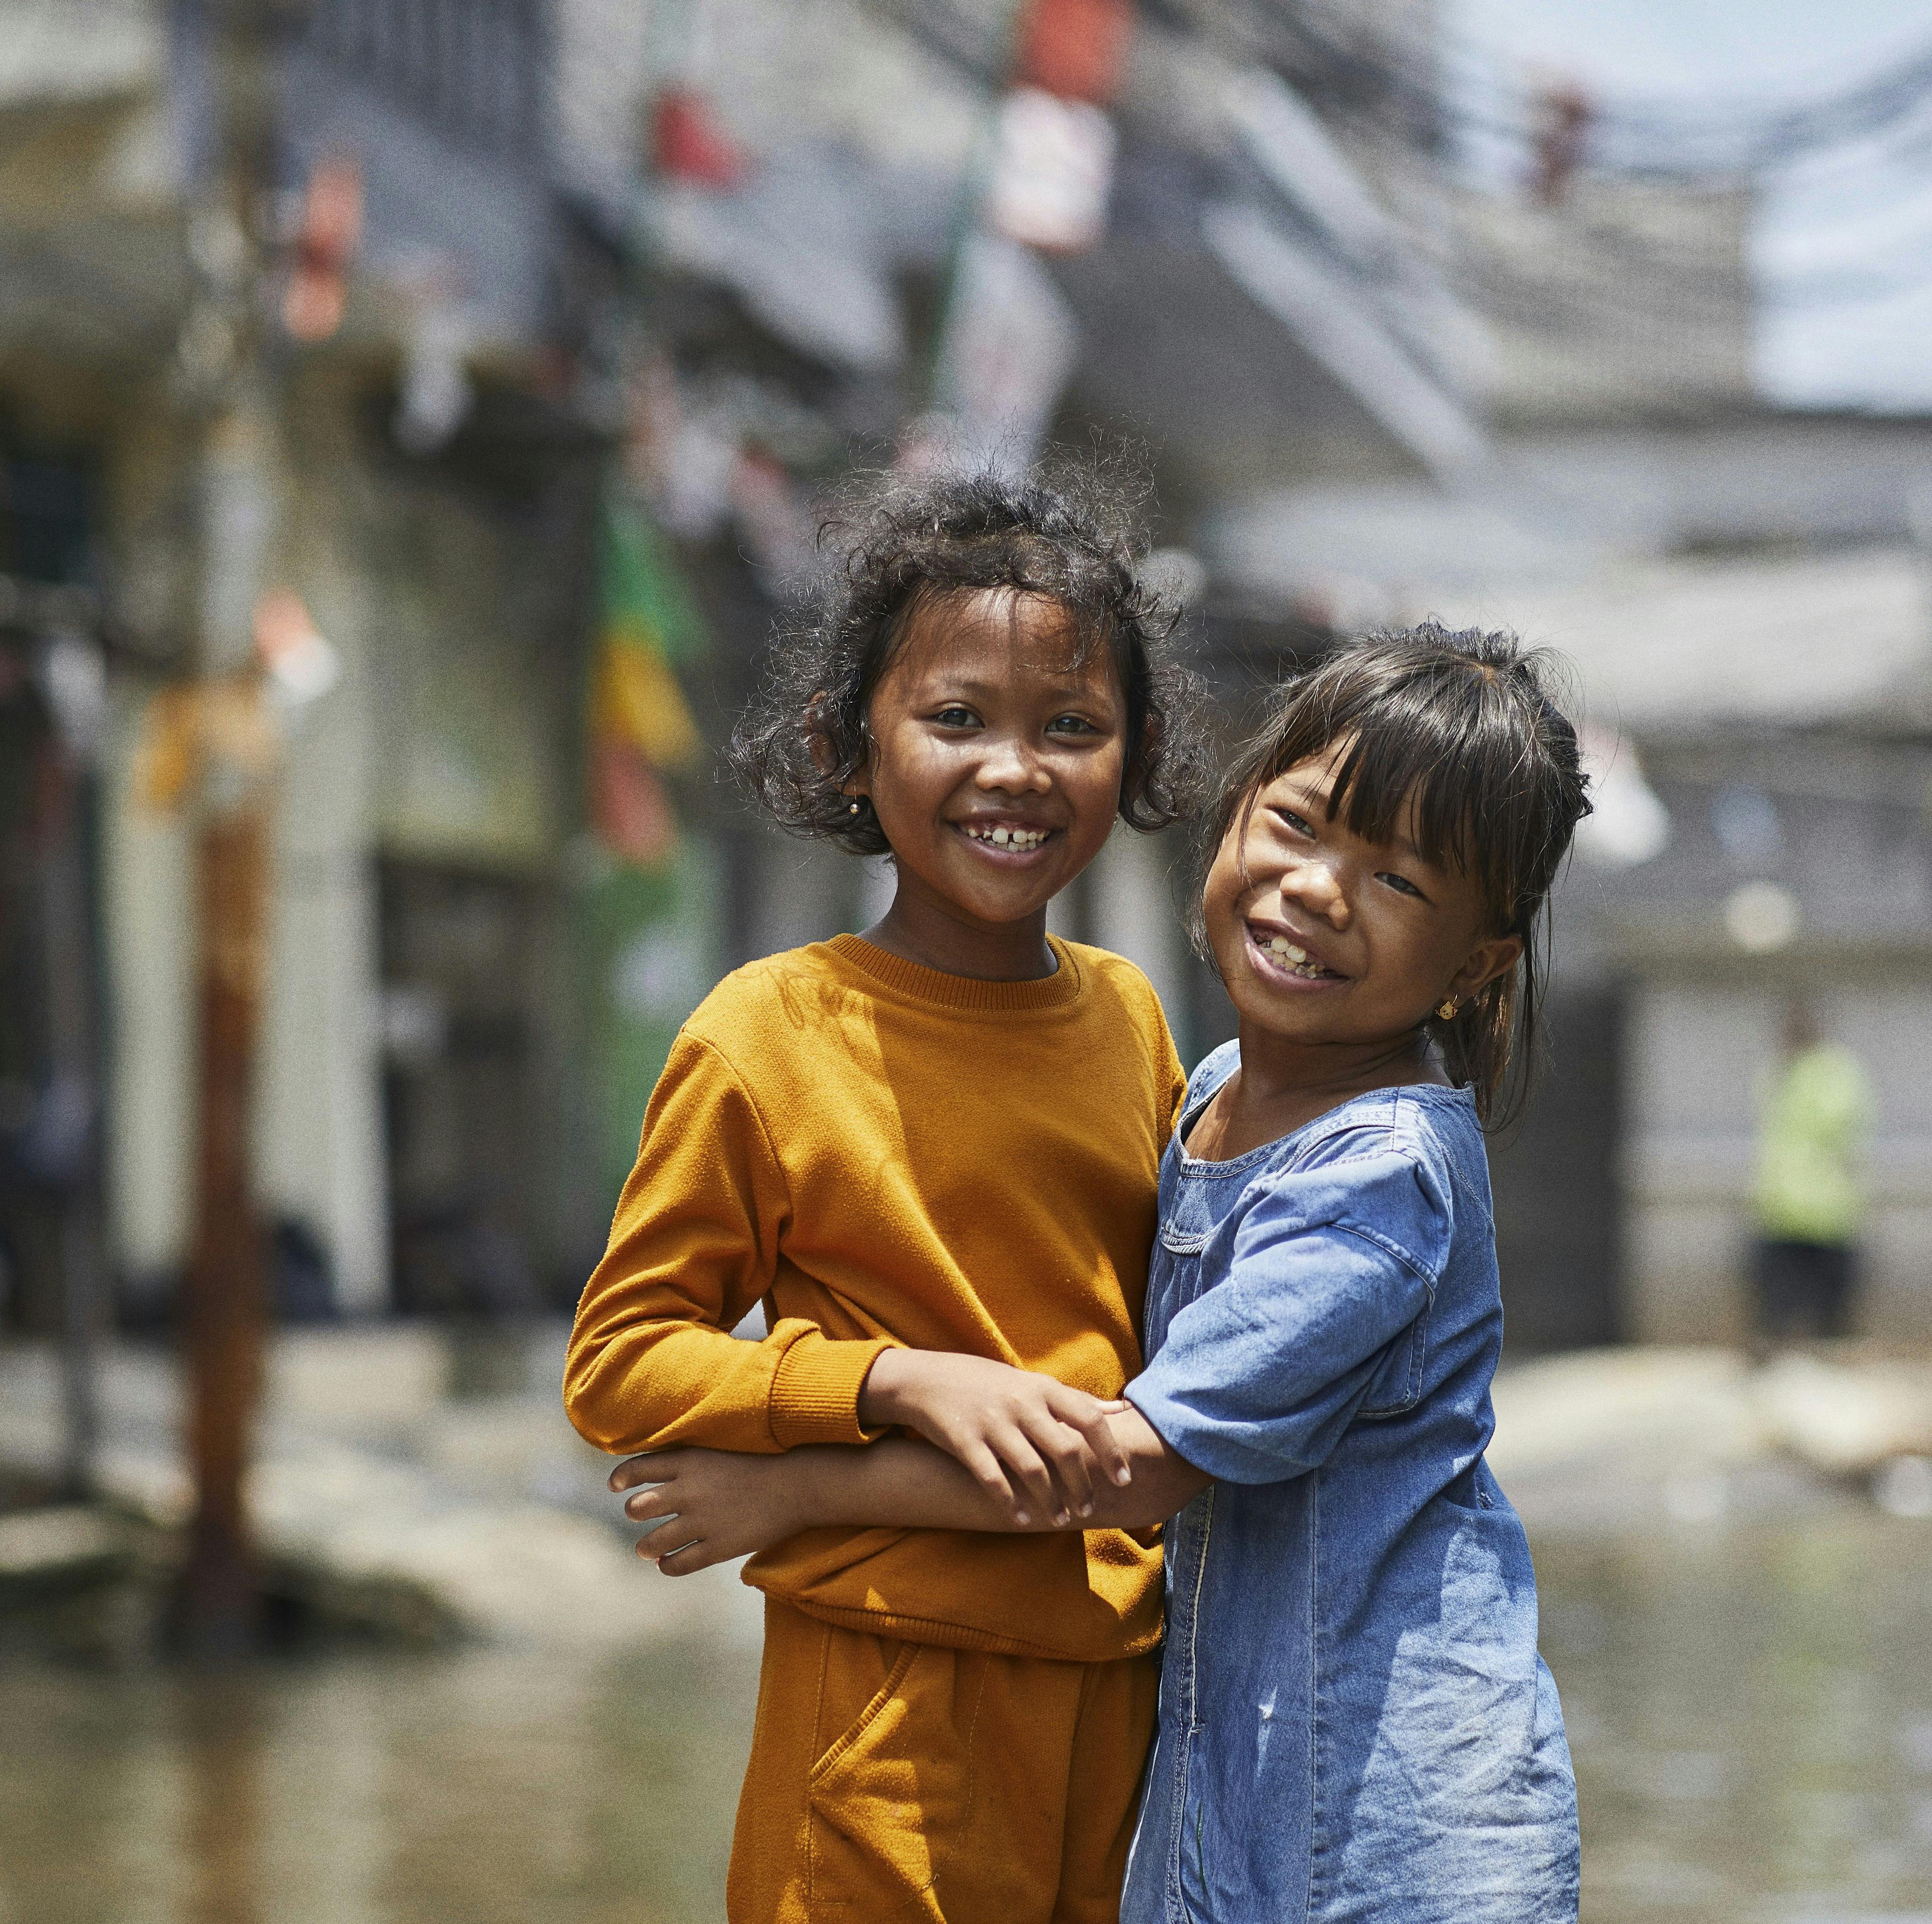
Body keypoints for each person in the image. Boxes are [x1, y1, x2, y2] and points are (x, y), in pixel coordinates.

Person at [618, 627, 1593, 1921]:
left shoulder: (1379, 1174)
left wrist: (796, 1484)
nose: (1314, 889)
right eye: (1296, 823)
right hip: (1222, 1773)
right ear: (1234, 806)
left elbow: (1130, 1462)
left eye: (1397, 880)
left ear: (1475, 963)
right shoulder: (1202, 1087)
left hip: (1398, 1822)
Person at [560, 467, 1199, 1924]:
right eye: (956, 718)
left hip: (1131, 1699)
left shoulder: (1131, 1020)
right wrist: (893, 1383)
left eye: (1072, 727)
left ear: (1134, 757)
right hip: (886, 1708)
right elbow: (616, 1363)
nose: (1015, 768)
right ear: (848, 747)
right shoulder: (768, 1031)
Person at [1748, 994, 1874, 1353]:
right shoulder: (1778, 1071)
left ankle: (1829, 1354)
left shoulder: (1835, 1071)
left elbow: (1842, 1128)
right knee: (1776, 1297)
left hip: (1827, 1207)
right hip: (1779, 1206)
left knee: (1830, 1300)